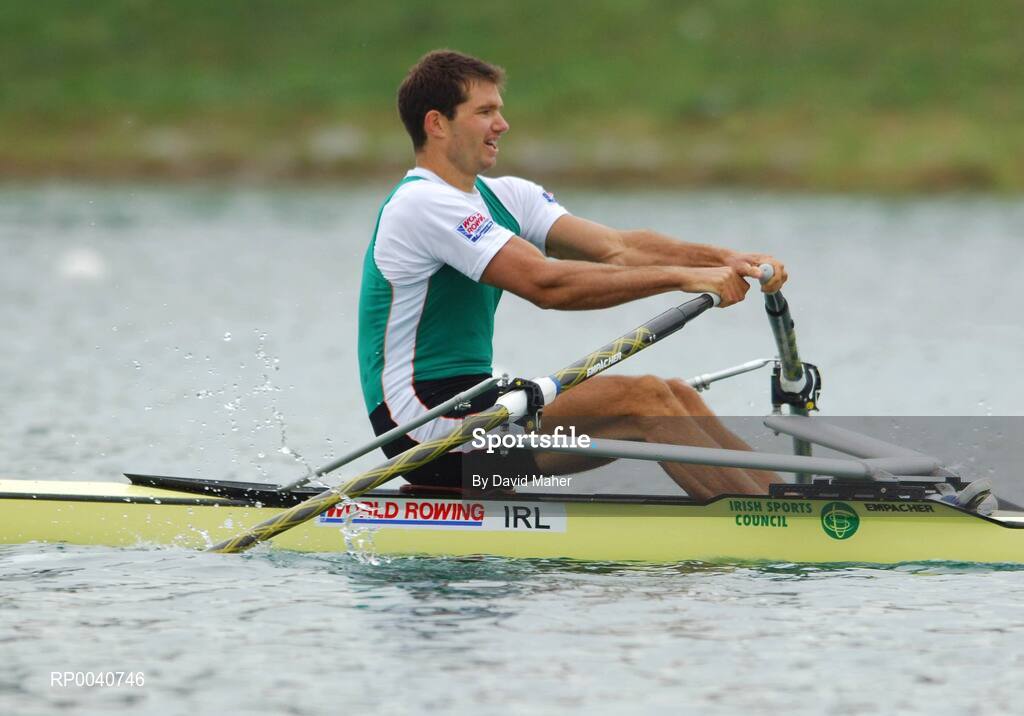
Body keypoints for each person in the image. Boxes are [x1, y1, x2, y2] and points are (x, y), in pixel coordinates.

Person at [357, 49, 787, 501]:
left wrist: (727, 260)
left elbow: (618, 248)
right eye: (485, 112)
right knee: (644, 400)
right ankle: (765, 521)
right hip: (426, 428)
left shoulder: (508, 196)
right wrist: (683, 278)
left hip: (479, 402)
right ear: (437, 124)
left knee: (674, 394)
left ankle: (782, 502)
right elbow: (546, 284)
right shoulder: (421, 204)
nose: (501, 125)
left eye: (499, 111)